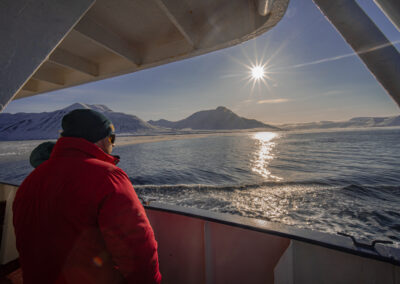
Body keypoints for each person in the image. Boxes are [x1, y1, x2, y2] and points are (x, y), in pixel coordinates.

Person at [13, 109, 161, 284]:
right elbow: (138, 249)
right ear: (101, 139)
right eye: (112, 138)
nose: (113, 145)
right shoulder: (108, 177)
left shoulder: (31, 179)